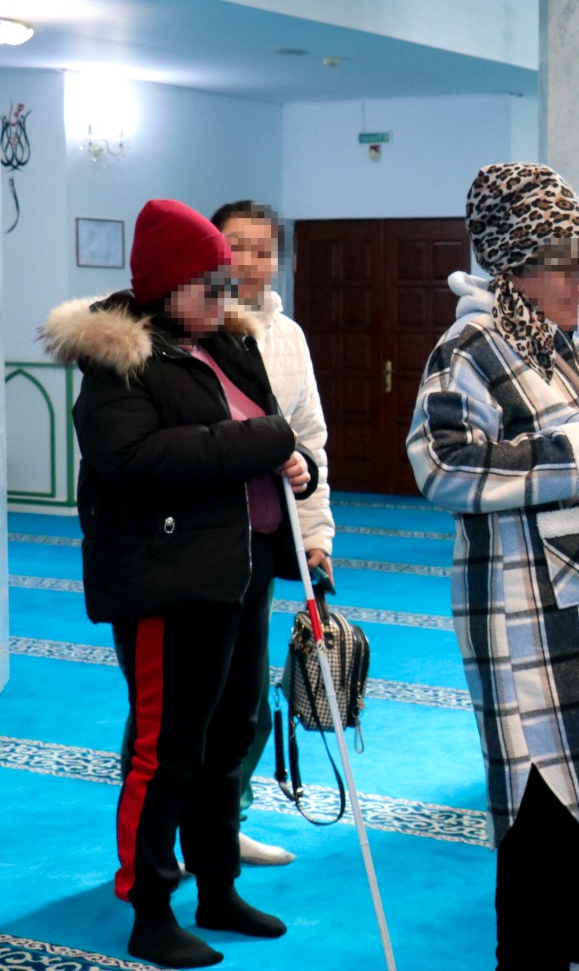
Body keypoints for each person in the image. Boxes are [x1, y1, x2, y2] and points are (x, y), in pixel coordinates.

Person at [406, 163, 579, 971]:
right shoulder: (470, 348)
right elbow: (441, 466)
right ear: (514, 264)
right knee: (545, 810)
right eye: (566, 266)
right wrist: (574, 447)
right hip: (532, 626)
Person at [42, 199, 317, 969]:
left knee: (229, 738)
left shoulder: (227, 343)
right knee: (166, 752)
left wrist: (297, 465)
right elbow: (133, 460)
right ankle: (151, 907)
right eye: (211, 285)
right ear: (168, 287)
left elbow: (276, 435)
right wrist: (263, 441)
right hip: (170, 580)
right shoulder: (121, 359)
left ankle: (218, 888)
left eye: (230, 284)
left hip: (242, 569)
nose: (228, 298)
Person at [209, 198, 334, 868]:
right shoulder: (191, 331)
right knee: (182, 706)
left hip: (260, 542)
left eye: (263, 249)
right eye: (237, 246)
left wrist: (317, 537)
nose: (250, 261)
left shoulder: (288, 336)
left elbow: (310, 441)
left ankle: (226, 823)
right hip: (199, 546)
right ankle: (159, 841)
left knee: (249, 702)